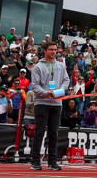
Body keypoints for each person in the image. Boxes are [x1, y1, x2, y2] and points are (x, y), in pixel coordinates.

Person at [29, 40, 69, 171]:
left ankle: (52, 161)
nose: (53, 52)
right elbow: (35, 86)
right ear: (45, 51)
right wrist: (47, 93)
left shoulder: (61, 65)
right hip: (42, 103)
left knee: (53, 133)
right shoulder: (38, 67)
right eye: (51, 49)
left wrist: (60, 91)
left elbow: (66, 80)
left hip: (56, 103)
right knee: (39, 132)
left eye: (55, 50)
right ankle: (35, 161)